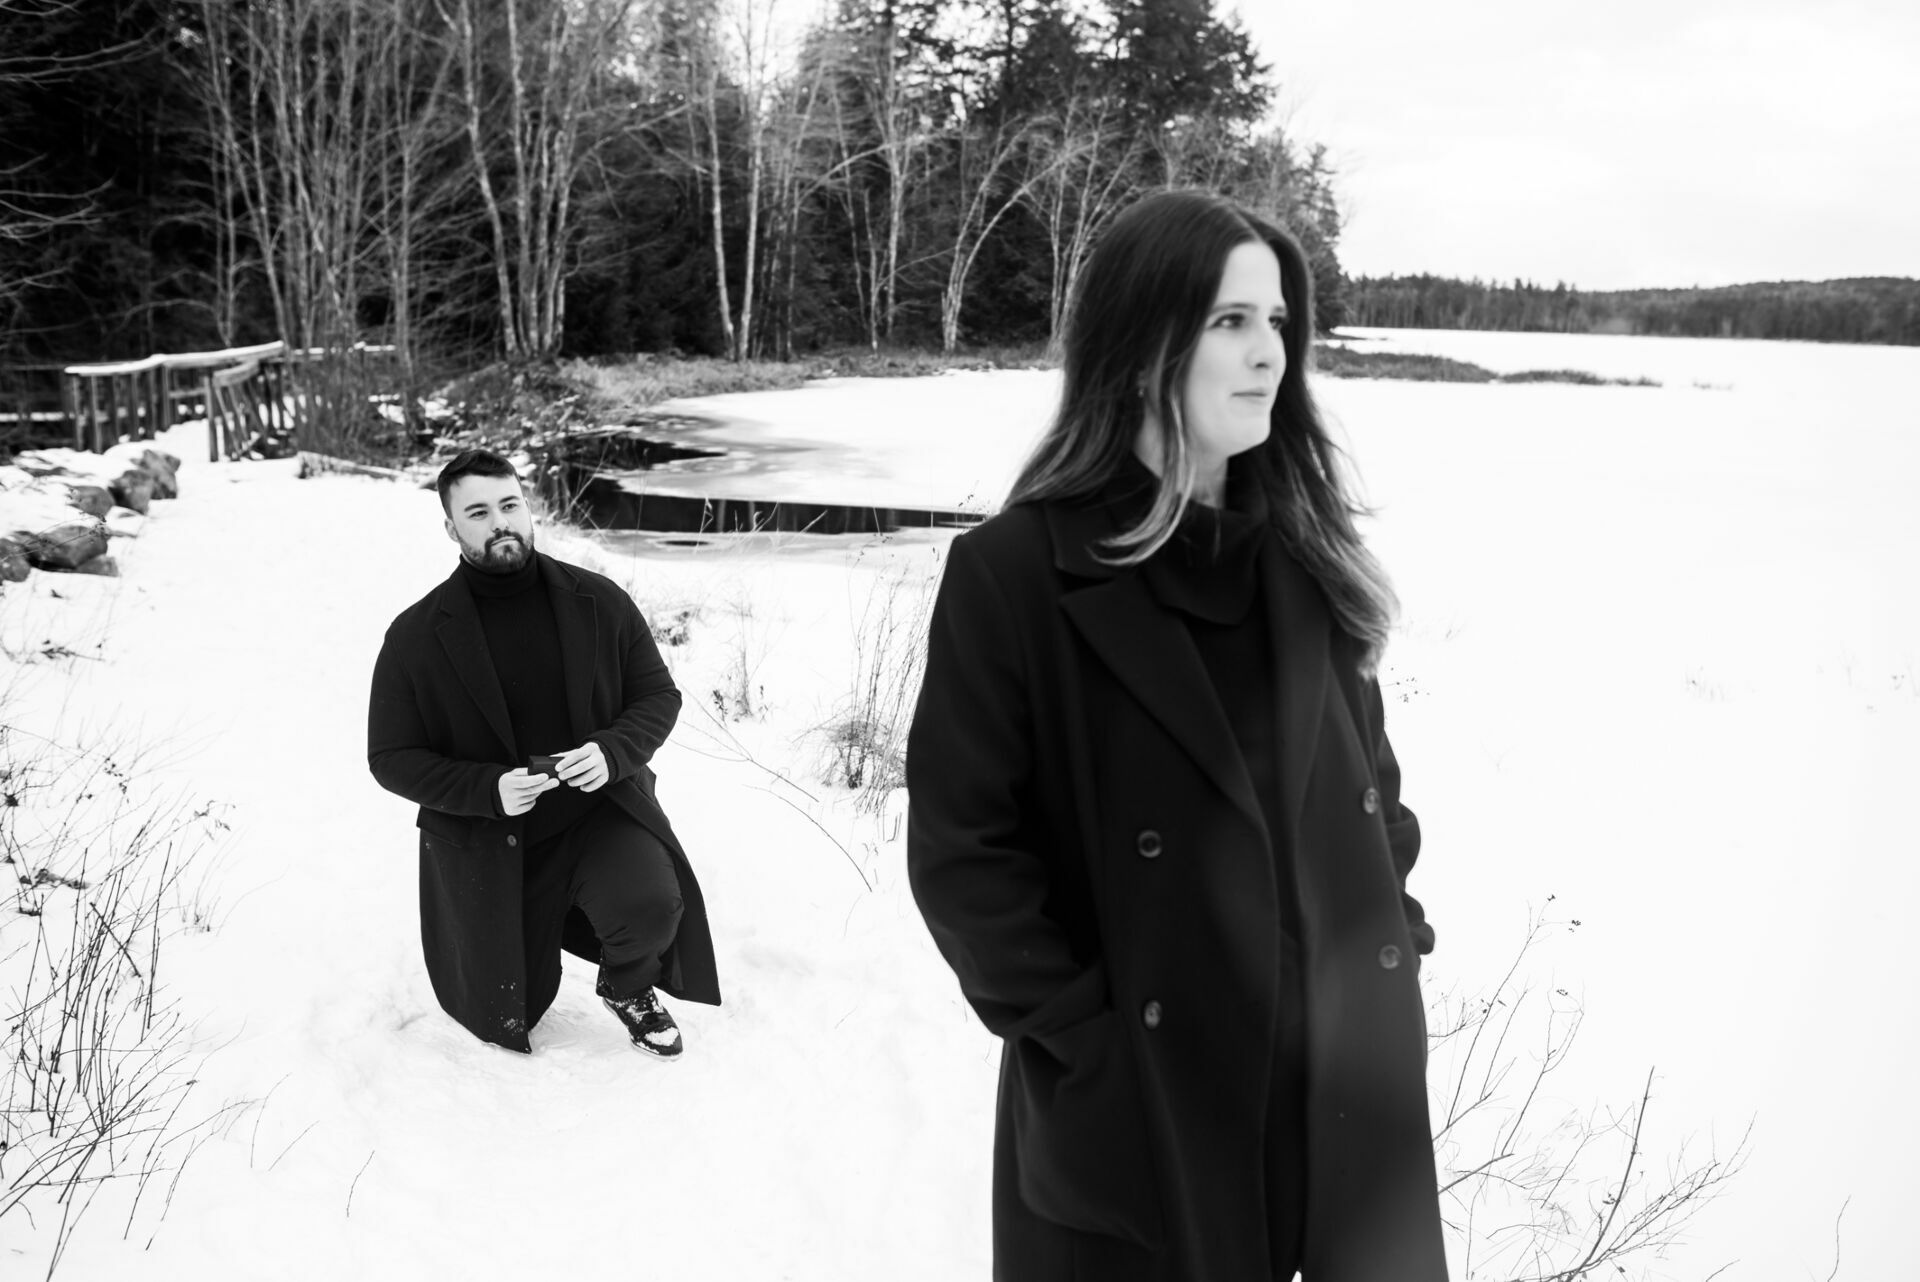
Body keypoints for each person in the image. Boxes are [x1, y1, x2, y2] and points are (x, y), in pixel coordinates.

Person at [905, 190, 1448, 1281]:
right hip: (1144, 1110)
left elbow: (1371, 796)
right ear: (1142, 341)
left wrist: (1393, 935)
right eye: (1229, 321)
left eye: (1279, 322)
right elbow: (966, 855)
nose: (1269, 356)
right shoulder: (1015, 575)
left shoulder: (1306, 566)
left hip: (1334, 1099)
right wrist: (1090, 1045)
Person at [368, 448, 719, 1057]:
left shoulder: (598, 600)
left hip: (598, 811)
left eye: (510, 504)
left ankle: (629, 986)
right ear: (451, 528)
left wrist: (613, 751)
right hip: (490, 838)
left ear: (528, 509)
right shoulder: (415, 636)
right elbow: (391, 756)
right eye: (478, 512)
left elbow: (657, 695)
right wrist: (486, 789)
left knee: (653, 905)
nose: (499, 521)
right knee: (512, 1013)